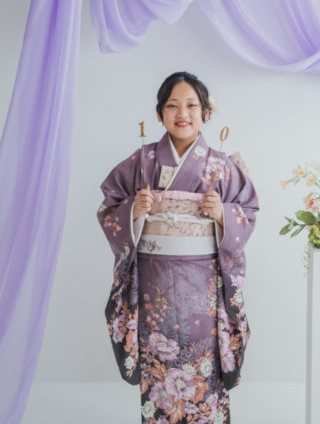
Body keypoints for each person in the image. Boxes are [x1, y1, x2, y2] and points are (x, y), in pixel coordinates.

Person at [97, 71, 259, 423]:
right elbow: (108, 206)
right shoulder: (142, 161)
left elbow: (249, 210)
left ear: (206, 113)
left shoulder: (221, 165)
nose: (182, 113)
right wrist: (133, 210)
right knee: (159, 366)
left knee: (205, 365)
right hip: (154, 286)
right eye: (172, 106)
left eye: (191, 105)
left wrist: (223, 214)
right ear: (159, 114)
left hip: (204, 289)